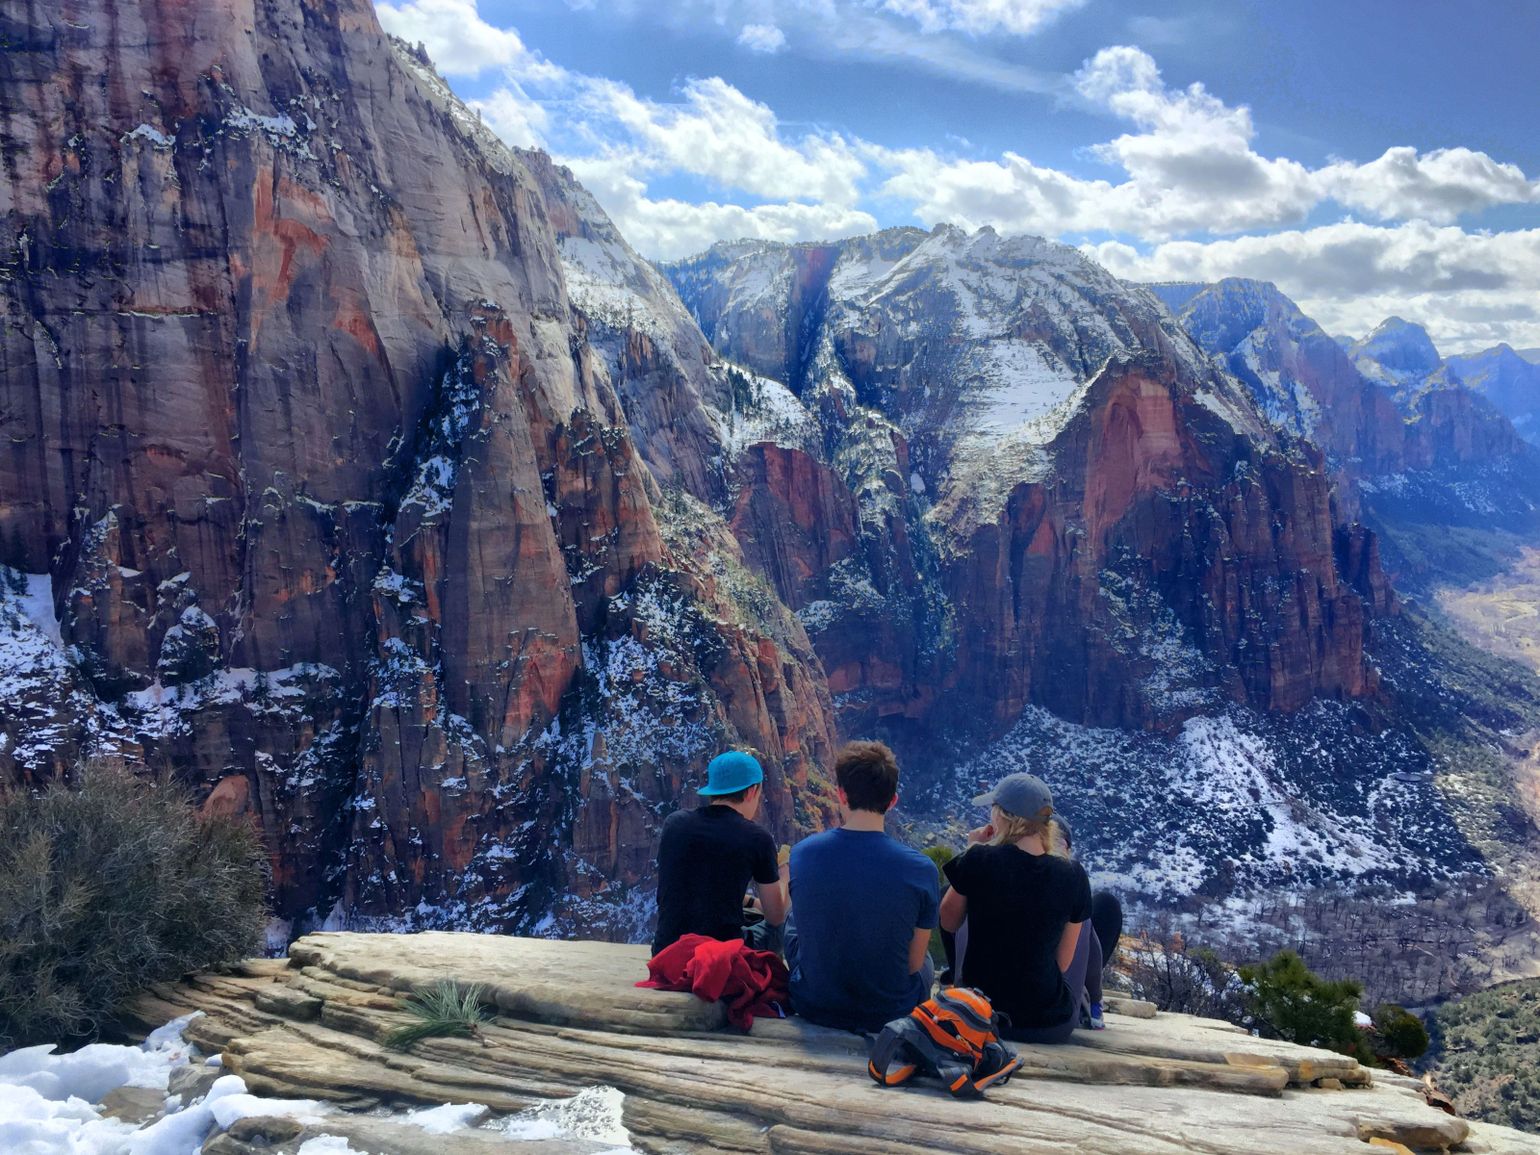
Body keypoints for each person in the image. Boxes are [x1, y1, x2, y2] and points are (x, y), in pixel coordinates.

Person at [785, 741, 939, 1032]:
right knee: (926, 958)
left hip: (814, 1005)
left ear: (841, 794)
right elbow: (912, 965)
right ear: (893, 800)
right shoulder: (922, 869)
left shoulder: (802, 853)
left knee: (794, 920)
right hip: (889, 1012)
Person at [940, 772, 1091, 1044]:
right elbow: (1062, 962)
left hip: (979, 1017)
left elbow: (948, 922)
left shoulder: (979, 859)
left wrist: (971, 851)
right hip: (1047, 1023)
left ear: (1003, 817)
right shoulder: (1073, 874)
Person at [651, 751, 788, 957]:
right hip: (720, 958)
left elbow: (698, 887)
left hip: (667, 952)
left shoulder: (674, 823)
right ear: (752, 791)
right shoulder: (757, 838)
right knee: (783, 927)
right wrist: (785, 875)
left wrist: (751, 902)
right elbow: (776, 916)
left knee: (750, 915)